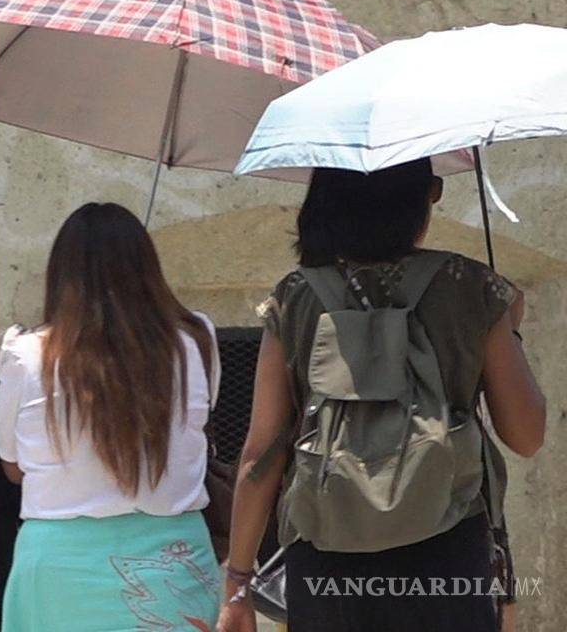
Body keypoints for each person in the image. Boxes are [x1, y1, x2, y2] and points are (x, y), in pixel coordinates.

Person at [216, 159, 547, 632]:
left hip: (324, 561)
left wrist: (238, 581)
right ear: (416, 200)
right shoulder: (471, 287)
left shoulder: (295, 296)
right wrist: (507, 326)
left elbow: (261, 451)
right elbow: (526, 436)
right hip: (447, 554)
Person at [0, 202, 222, 631]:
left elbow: (13, 466)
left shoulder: (25, 355)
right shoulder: (196, 340)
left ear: (60, 275)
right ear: (147, 267)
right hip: (174, 562)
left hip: (60, 565)